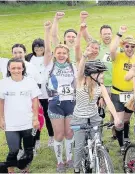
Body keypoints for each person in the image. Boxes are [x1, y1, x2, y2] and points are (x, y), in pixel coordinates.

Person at [43, 21, 81, 172]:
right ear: (55, 54)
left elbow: (77, 85)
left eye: (64, 53)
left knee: (69, 132)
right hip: (55, 104)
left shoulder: (72, 67)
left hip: (70, 103)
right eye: (58, 52)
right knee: (59, 134)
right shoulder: (49, 65)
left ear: (67, 55)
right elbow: (47, 50)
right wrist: (47, 30)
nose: (61, 55)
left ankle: (70, 158)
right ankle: (60, 161)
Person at [0, 58, 40, 173]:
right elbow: (1, 102)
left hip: (28, 123)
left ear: (23, 68)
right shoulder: (3, 83)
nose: (16, 70)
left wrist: (35, 118)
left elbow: (35, 100)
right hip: (11, 124)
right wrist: (1, 118)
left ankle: (25, 170)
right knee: (14, 150)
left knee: (28, 151)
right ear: (8, 69)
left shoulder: (30, 82)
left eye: (19, 68)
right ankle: (9, 170)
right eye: (13, 68)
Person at [109, 26, 135, 151]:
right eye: (127, 46)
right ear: (123, 46)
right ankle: (121, 145)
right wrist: (119, 34)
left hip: (132, 94)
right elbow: (112, 49)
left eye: (132, 46)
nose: (130, 48)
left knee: (127, 119)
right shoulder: (117, 56)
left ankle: (127, 137)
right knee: (119, 122)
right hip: (117, 93)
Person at [25, 38, 55, 149]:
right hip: (34, 93)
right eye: (36, 47)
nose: (38, 49)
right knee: (36, 116)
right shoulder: (29, 58)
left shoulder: (49, 57)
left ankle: (51, 136)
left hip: (46, 92)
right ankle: (36, 139)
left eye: (41, 46)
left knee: (48, 116)